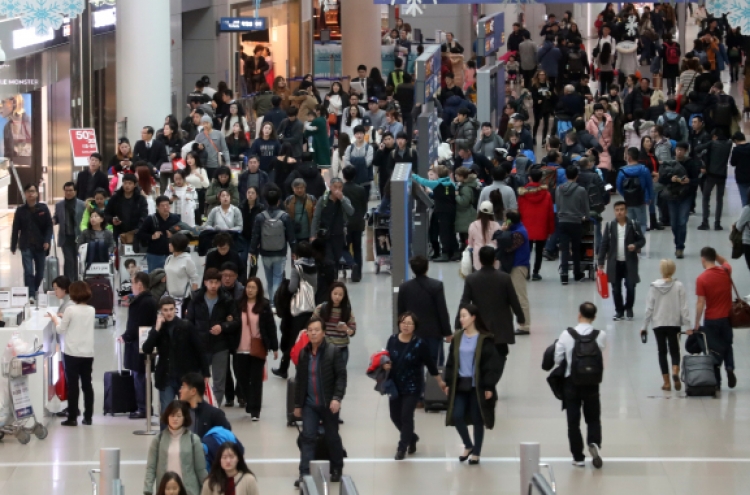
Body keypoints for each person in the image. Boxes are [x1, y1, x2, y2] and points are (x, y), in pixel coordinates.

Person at [442, 303, 502, 465]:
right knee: (457, 415)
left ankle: (477, 452)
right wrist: (448, 382)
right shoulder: (458, 338)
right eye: (460, 316)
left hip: (478, 387)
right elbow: (451, 362)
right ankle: (468, 445)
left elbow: (492, 365)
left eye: (464, 316)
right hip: (460, 385)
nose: (461, 319)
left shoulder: (485, 339)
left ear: (473, 317)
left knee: (477, 418)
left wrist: (489, 386)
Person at [293, 316, 347, 487]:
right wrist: (297, 404)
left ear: (323, 333)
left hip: (328, 403)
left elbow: (341, 377)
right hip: (310, 404)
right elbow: (300, 380)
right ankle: (304, 474)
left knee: (332, 437)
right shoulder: (304, 353)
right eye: (310, 330)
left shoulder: (333, 351)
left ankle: (337, 468)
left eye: (317, 330)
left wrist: (337, 398)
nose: (313, 333)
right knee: (308, 437)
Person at [385, 312, 445, 459]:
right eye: (404, 322)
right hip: (395, 385)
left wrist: (440, 381)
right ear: (399, 323)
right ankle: (411, 437)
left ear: (415, 327)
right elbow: (386, 357)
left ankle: (402, 447)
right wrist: (385, 365)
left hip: (413, 386)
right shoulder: (392, 340)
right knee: (394, 416)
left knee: (406, 416)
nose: (406, 326)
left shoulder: (420, 344)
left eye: (410, 323)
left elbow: (431, 365)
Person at [458, 246, 524, 380]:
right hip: (501, 325)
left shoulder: (471, 279)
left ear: (479, 260)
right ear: (495, 260)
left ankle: (484, 382)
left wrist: (458, 323)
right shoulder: (504, 278)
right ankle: (492, 382)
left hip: (479, 325)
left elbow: (464, 302)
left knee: (481, 354)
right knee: (501, 354)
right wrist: (521, 317)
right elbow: (513, 300)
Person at [553, 302, 606, 468]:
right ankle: (594, 442)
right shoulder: (600, 334)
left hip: (571, 382)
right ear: (594, 317)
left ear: (579, 314)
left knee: (573, 422)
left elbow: (557, 359)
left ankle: (578, 457)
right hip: (592, 382)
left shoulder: (567, 334)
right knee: (593, 418)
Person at [142, 296, 208, 416]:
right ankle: (165, 434)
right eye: (165, 310)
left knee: (189, 412)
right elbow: (147, 348)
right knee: (166, 412)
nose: (168, 313)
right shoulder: (159, 329)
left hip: (186, 376)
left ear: (175, 309)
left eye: (171, 309)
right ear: (161, 311)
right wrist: (156, 329)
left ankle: (190, 435)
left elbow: (200, 349)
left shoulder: (186, 326)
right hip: (166, 377)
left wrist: (206, 372)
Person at [185, 269, 240, 407]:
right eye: (211, 282)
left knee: (219, 381)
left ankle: (215, 408)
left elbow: (236, 321)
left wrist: (223, 327)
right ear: (205, 283)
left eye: (216, 282)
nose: (214, 285)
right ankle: (197, 407)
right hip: (199, 345)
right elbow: (189, 322)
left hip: (220, 345)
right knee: (197, 379)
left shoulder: (226, 299)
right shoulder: (195, 299)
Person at [47, 281, 95, 426]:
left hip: (72, 352)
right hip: (88, 352)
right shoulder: (91, 309)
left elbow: (61, 329)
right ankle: (88, 416)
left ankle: (72, 417)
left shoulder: (71, 310)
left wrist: (55, 319)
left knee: (73, 385)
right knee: (87, 384)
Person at [641, 259, 691, 391]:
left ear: (661, 270)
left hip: (658, 323)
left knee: (661, 352)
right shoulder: (679, 285)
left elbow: (649, 309)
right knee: (675, 350)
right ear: (673, 270)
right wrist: (688, 326)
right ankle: (675, 370)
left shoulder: (653, 286)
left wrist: (644, 327)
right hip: (674, 323)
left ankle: (667, 382)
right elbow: (684, 308)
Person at [690, 247, 735, 390]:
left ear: (703, 259)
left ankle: (717, 383)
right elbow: (725, 261)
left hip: (711, 319)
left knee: (712, 350)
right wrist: (716, 256)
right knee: (727, 345)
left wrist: (697, 322)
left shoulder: (701, 279)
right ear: (714, 257)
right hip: (727, 317)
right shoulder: (726, 271)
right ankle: (729, 367)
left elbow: (700, 303)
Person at [397, 255, 452, 367]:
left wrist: (401, 331)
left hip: (412, 334)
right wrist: (447, 332)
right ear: (427, 267)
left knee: (413, 365)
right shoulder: (436, 286)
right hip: (433, 333)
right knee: (435, 366)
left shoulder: (404, 288)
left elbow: (401, 313)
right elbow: (442, 311)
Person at [235, 277, 278, 419]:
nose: (250, 290)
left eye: (253, 287)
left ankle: (255, 410)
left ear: (258, 289)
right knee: (241, 377)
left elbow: (271, 327)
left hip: (257, 348)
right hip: (240, 348)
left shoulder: (264, 306)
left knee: (256, 380)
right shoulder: (238, 304)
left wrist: (274, 346)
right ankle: (249, 400)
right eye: (248, 287)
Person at [143, 400, 207, 495]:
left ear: (184, 417)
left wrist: (209, 489)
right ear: (167, 417)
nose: (175, 419)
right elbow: (151, 468)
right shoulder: (158, 440)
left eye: (178, 416)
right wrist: (147, 489)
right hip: (165, 491)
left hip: (189, 491)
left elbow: (200, 469)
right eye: (172, 415)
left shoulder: (194, 440)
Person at [116, 272, 158, 419]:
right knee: (140, 375)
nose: (131, 287)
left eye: (133, 283)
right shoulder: (148, 300)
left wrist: (126, 336)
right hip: (142, 342)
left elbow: (137, 324)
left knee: (140, 376)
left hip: (140, 343)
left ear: (139, 284)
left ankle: (143, 407)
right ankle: (144, 406)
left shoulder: (144, 302)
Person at [598, 201, 646, 321]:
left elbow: (642, 240)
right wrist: (600, 262)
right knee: (616, 289)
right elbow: (604, 244)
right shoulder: (610, 226)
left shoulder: (633, 225)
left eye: (622, 209)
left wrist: (635, 245)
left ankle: (629, 308)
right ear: (614, 211)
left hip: (630, 262)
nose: (619, 212)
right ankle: (619, 311)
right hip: (614, 263)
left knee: (630, 286)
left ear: (626, 211)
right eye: (617, 210)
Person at [250, 185, 295, 303]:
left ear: (266, 201)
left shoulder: (260, 217)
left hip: (265, 253)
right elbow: (291, 236)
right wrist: (294, 251)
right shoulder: (284, 216)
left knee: (269, 279)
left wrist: (252, 251)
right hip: (280, 253)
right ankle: (275, 303)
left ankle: (271, 301)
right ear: (278, 201)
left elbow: (255, 236)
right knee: (278, 278)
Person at [11, 183, 52, 303]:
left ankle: (33, 290)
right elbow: (15, 228)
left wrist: (47, 241)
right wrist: (13, 245)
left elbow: (49, 226)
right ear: (25, 194)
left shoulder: (43, 209)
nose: (31, 193)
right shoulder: (20, 211)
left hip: (40, 245)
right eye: (28, 191)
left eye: (33, 191)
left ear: (37, 193)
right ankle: (30, 294)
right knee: (28, 271)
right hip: (26, 245)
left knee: (40, 272)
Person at [659, 142, 701, 258]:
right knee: (673, 223)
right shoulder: (669, 163)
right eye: (678, 149)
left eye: (682, 150)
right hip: (672, 196)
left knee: (682, 221)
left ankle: (680, 246)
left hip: (686, 196)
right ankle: (677, 242)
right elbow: (661, 179)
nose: (679, 152)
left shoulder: (691, 164)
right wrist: (671, 179)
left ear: (686, 151)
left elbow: (697, 180)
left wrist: (690, 181)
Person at [494, 211, 532, 335]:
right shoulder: (518, 230)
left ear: (510, 220)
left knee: (520, 296)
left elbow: (506, 245)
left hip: (518, 267)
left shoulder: (519, 234)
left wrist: (504, 230)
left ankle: (524, 325)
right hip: (512, 266)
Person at [413, 165, 458, 262]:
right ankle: (454, 252)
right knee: (450, 231)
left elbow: (423, 181)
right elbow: (446, 195)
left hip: (441, 211)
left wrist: (413, 176)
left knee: (443, 233)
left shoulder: (437, 184)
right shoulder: (451, 184)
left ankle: (445, 254)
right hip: (452, 210)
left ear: (438, 174)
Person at [556, 166, 590, 285]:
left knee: (564, 249)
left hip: (562, 221)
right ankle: (577, 273)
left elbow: (558, 205)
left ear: (565, 175)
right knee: (576, 249)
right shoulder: (581, 190)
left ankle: (564, 274)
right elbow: (586, 208)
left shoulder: (559, 189)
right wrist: (585, 216)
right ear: (577, 176)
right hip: (576, 222)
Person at [695, 129, 733, 231]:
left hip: (711, 174)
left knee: (706, 197)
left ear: (715, 136)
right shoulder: (729, 144)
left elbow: (697, 148)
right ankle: (717, 224)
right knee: (719, 200)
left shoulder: (712, 143)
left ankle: (705, 222)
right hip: (722, 175)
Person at [311, 178, 354, 265]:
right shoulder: (323, 200)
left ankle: (335, 276)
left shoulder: (344, 200)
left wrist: (342, 199)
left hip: (339, 234)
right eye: (335, 187)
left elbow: (351, 212)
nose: (337, 189)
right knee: (328, 258)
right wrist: (312, 235)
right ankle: (331, 277)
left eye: (340, 187)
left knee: (337, 258)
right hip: (325, 235)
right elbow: (316, 217)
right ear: (330, 187)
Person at [313, 281, 356, 364]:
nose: (337, 297)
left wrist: (346, 329)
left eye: (340, 295)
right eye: (335, 293)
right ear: (330, 293)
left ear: (344, 296)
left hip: (342, 349)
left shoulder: (347, 311)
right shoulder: (321, 308)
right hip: (325, 349)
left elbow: (352, 331)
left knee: (340, 375)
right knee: (325, 374)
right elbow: (311, 325)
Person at [179, 372, 231, 438]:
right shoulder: (178, 412)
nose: (180, 390)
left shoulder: (214, 415)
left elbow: (227, 438)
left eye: (183, 387)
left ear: (193, 391)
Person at [138, 196, 181, 272]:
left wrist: (173, 235)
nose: (165, 208)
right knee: (155, 278)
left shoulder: (175, 218)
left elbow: (181, 233)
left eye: (167, 205)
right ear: (157, 207)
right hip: (155, 254)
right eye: (162, 206)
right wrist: (152, 236)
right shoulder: (150, 219)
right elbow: (140, 234)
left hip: (172, 254)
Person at [53, 181, 86, 281]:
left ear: (75, 191)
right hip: (65, 237)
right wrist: (53, 220)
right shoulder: (59, 205)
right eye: (66, 190)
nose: (68, 193)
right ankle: (68, 282)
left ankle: (76, 281)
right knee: (69, 260)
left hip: (79, 237)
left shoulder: (82, 204)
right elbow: (56, 217)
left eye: (70, 190)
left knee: (77, 260)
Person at [616, 148, 653, 234]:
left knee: (629, 223)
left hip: (628, 200)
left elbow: (619, 186)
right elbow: (649, 185)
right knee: (642, 223)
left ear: (629, 157)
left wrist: (625, 194)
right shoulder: (644, 170)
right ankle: (639, 242)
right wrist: (649, 197)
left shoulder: (622, 171)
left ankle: (631, 241)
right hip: (640, 199)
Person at [341, 165, 368, 281]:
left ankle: (349, 264)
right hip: (358, 222)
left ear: (343, 176)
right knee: (358, 248)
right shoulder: (361, 189)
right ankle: (357, 274)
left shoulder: (340, 190)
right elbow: (364, 207)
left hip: (345, 224)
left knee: (343, 247)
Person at [105, 173, 149, 241]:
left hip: (135, 233)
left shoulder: (140, 199)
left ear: (135, 185)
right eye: (125, 183)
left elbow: (144, 216)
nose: (127, 186)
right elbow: (106, 213)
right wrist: (112, 220)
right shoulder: (115, 198)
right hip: (119, 232)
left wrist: (138, 229)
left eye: (130, 183)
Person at [467, 201, 500, 272]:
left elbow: (470, 244)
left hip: (478, 257)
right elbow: (499, 242)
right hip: (493, 256)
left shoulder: (473, 225)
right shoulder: (496, 225)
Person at [164, 234, 199, 299]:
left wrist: (194, 299)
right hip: (169, 296)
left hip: (183, 297)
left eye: (171, 243)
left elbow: (194, 279)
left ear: (177, 245)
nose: (169, 245)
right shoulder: (169, 258)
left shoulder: (187, 260)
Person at [285, 178, 316, 244]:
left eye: (301, 187)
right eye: (297, 188)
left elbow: (316, 216)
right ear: (293, 188)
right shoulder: (289, 200)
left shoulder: (311, 199)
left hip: (308, 234)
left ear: (305, 188)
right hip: (294, 234)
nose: (299, 190)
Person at [185, 152, 210, 225]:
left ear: (196, 159)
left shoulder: (202, 170)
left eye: (191, 158)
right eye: (187, 158)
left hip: (199, 193)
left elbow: (206, 185)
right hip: (188, 194)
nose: (189, 160)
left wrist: (200, 176)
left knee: (198, 214)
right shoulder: (185, 171)